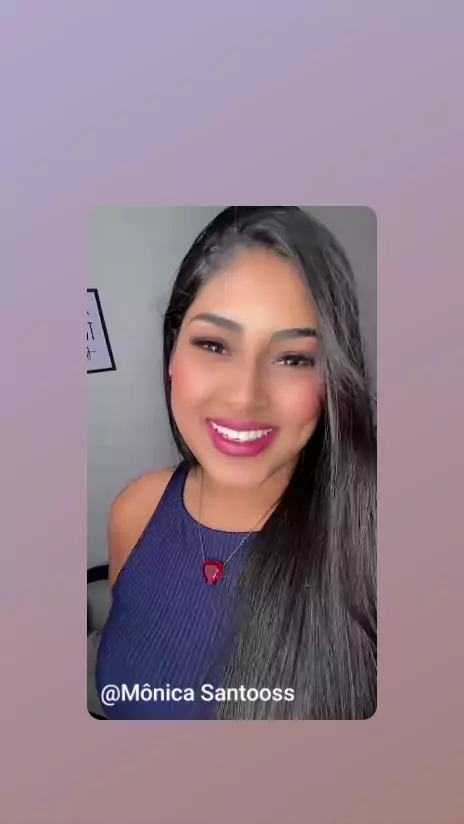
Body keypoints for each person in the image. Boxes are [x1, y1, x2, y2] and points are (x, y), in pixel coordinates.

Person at [95, 206, 377, 720]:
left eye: (293, 358)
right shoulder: (135, 510)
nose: (246, 397)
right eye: (214, 345)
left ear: (333, 380)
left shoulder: (372, 549)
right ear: (172, 354)